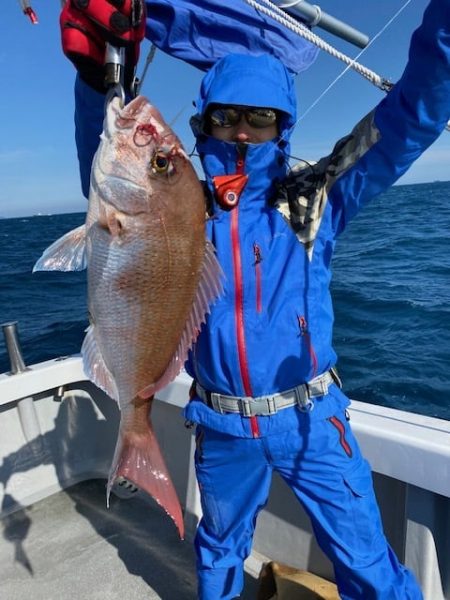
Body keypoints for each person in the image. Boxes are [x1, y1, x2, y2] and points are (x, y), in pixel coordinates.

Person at [59, 1, 450, 598]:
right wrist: (95, 80)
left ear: (282, 125)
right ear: (203, 123)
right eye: (226, 116)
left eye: (261, 117)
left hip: (313, 417)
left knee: (370, 566)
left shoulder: (313, 199)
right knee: (217, 554)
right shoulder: (184, 207)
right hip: (220, 422)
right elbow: (110, 168)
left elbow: (408, 120)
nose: (242, 129)